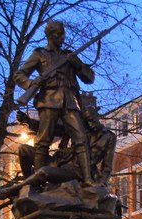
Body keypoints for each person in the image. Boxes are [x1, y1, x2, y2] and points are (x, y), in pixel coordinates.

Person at [14, 20, 95, 186]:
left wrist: (77, 64)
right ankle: (37, 183)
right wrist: (31, 84)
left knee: (81, 138)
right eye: (59, 34)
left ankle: (88, 180)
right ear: (50, 35)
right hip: (48, 100)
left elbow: (89, 77)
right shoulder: (39, 54)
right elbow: (19, 75)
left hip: (70, 102)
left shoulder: (69, 56)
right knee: (43, 141)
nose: (62, 37)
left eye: (63, 33)